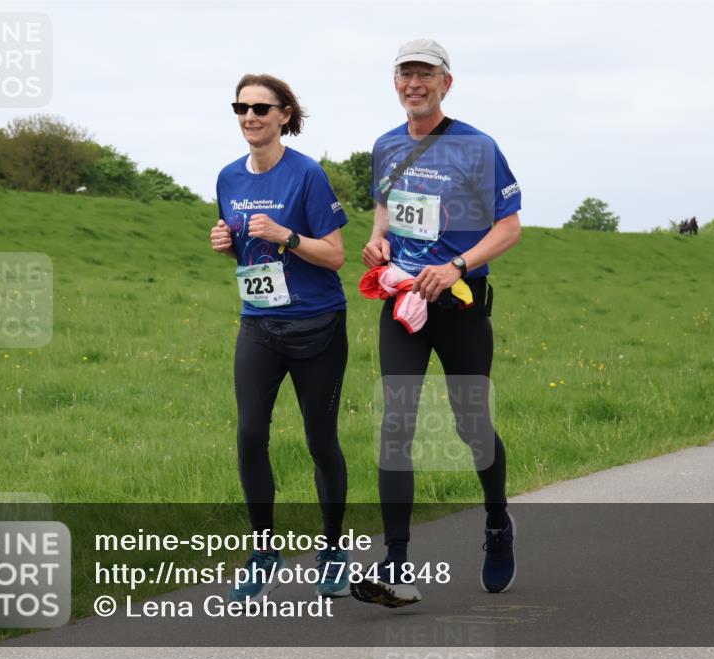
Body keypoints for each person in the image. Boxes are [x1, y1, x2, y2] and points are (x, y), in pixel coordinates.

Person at [351, 39, 522, 608]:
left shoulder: (477, 146)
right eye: (405, 75)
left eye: (425, 75)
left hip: (460, 303)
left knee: (470, 425)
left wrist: (455, 267)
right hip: (401, 301)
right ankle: (396, 562)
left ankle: (497, 522)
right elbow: (385, 206)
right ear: (395, 82)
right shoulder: (386, 144)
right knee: (395, 423)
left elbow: (509, 228)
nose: (413, 84)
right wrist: (377, 241)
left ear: (446, 83)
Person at [210, 74, 350, 601]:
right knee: (249, 435)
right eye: (241, 108)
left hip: (317, 324)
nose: (250, 117)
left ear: (285, 116)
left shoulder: (307, 175)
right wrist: (226, 242)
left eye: (261, 109)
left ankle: (334, 550)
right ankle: (263, 550)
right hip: (259, 324)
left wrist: (287, 236)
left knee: (320, 439)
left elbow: (335, 254)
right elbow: (244, 250)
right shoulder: (228, 177)